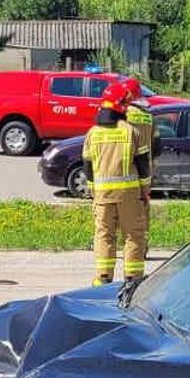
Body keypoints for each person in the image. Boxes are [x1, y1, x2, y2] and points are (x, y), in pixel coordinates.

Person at [83, 83, 150, 285]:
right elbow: (143, 166)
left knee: (104, 236)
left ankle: (103, 279)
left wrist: (95, 192)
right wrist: (144, 191)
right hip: (129, 195)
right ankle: (132, 280)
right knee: (133, 235)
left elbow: (88, 166)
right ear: (122, 106)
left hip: (102, 196)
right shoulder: (131, 132)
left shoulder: (93, 133)